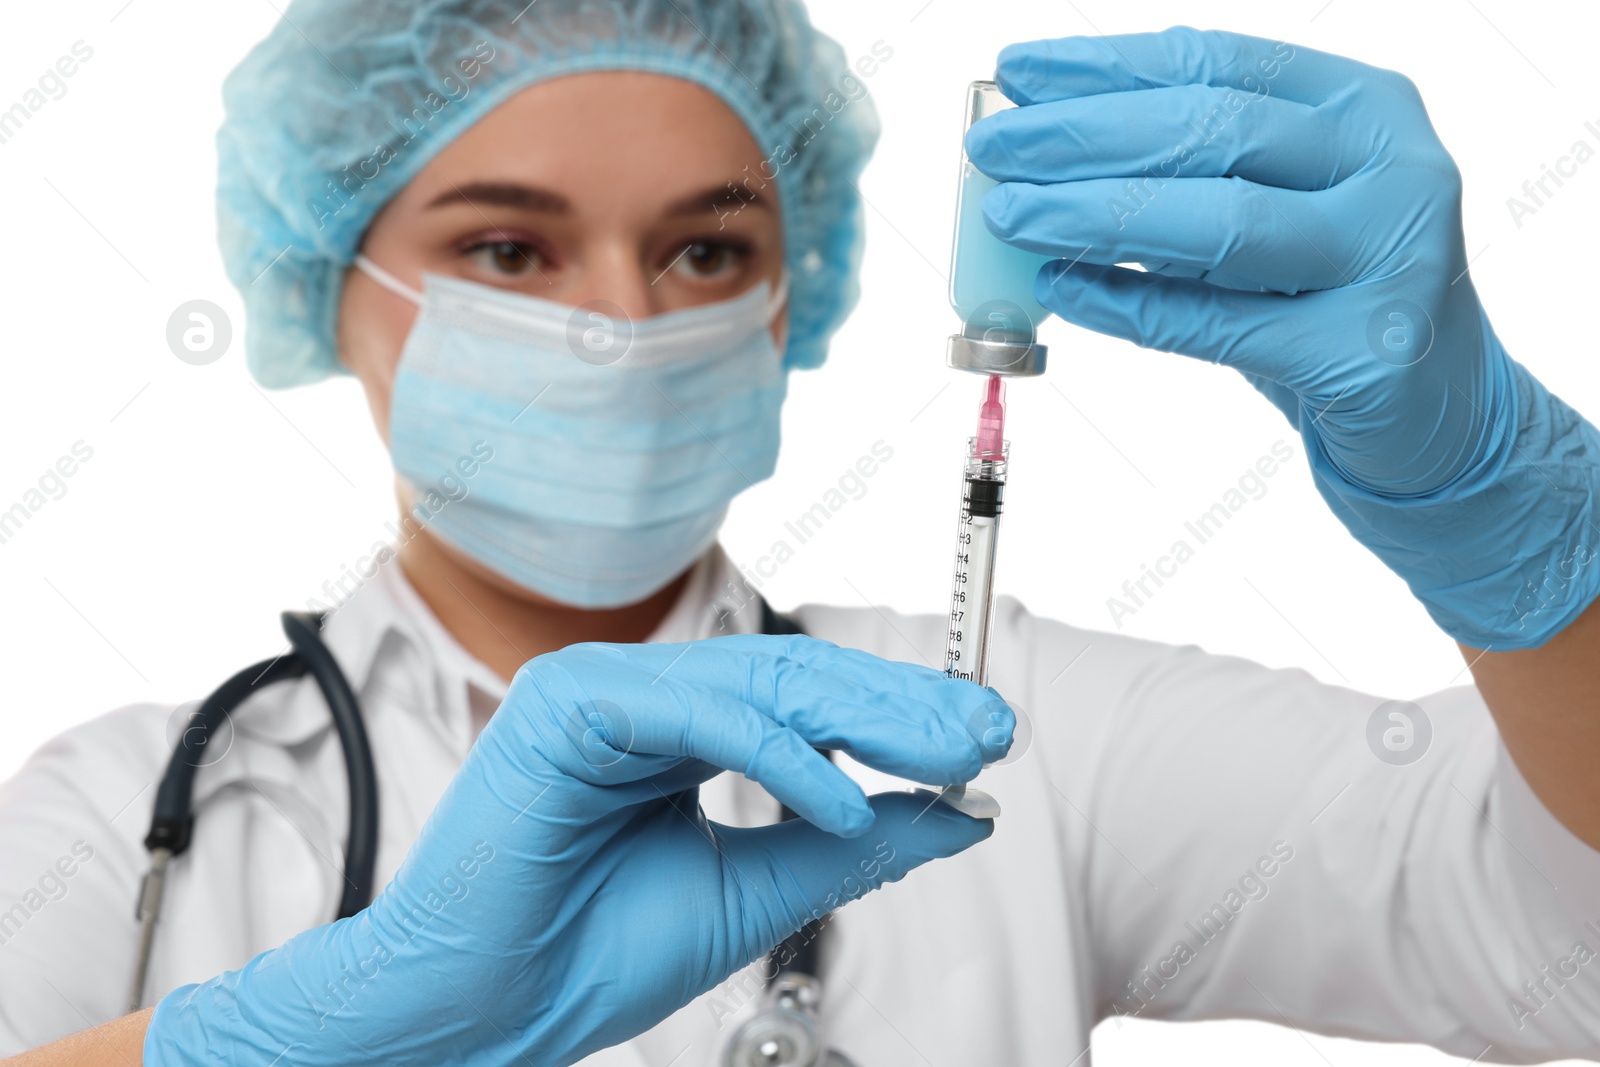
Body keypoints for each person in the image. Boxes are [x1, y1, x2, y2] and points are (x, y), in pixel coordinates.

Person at [2, 3, 1598, 1064]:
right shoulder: (123, 813)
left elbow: (1552, 940)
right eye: (509, 245)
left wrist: (1512, 518)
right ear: (324, 280)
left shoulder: (993, 726)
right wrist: (263, 1050)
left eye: (705, 250)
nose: (622, 322)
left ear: (793, 296)